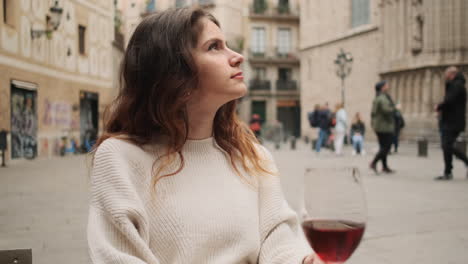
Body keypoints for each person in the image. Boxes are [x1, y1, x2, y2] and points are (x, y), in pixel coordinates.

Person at [86, 8, 317, 264]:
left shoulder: (253, 156)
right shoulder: (120, 158)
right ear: (173, 72)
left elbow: (278, 240)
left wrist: (303, 261)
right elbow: (117, 258)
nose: (238, 56)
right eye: (214, 47)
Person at [434, 66, 468, 180]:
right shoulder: (457, 85)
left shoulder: (456, 85)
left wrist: (439, 106)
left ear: (451, 74)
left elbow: (449, 100)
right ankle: (448, 171)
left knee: (447, 145)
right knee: (447, 146)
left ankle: (450, 170)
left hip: (452, 122)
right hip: (452, 121)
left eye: (446, 74)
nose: (445, 77)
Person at [370, 81, 396, 174]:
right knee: (386, 147)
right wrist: (396, 108)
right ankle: (373, 162)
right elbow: (386, 110)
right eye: (386, 85)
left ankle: (384, 166)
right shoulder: (382, 98)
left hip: (380, 126)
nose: (388, 86)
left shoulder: (378, 97)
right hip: (384, 126)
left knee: (383, 146)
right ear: (382, 87)